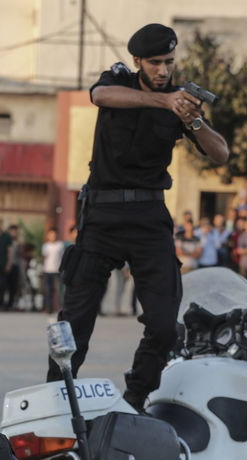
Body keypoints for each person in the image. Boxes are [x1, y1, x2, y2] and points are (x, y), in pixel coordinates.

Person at [48, 23, 229, 411]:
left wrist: (193, 120)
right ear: (138, 62)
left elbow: (221, 154)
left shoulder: (181, 101)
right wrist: (163, 103)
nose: (163, 70)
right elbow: (100, 95)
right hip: (102, 213)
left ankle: (135, 398)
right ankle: (57, 396)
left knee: (164, 324)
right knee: (76, 320)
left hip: (149, 215)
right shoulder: (120, 81)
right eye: (155, 62)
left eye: (168, 62)